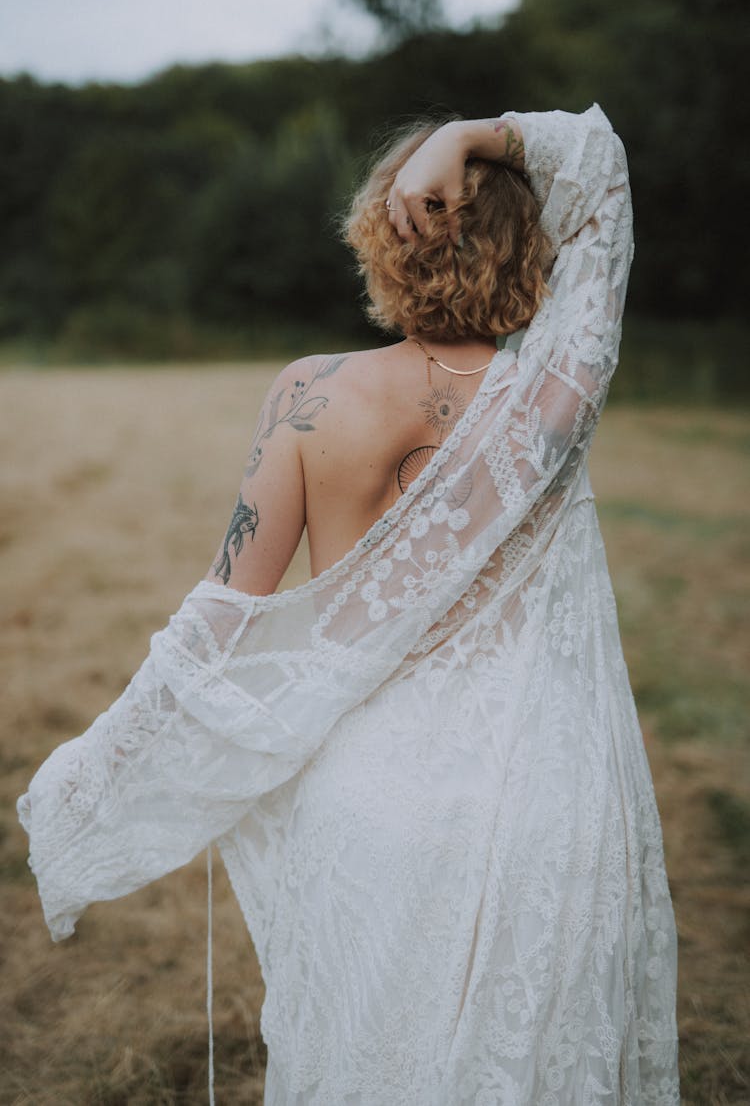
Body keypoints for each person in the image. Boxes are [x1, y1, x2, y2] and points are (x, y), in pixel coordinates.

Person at [18, 103, 680, 1104]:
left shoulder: (308, 393)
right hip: (542, 798)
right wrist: (466, 136)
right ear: (528, 249)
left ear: (384, 238)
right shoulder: (552, 401)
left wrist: (96, 773)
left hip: (373, 797)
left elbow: (222, 615)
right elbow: (602, 169)